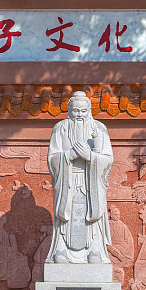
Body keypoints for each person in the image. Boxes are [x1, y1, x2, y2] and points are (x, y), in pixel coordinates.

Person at [46, 91, 113, 264]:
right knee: (66, 214)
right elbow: (53, 158)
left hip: (91, 181)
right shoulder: (60, 128)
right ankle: (61, 250)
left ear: (89, 110)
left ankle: (94, 250)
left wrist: (90, 157)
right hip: (67, 180)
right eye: (76, 111)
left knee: (92, 212)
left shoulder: (99, 128)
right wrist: (69, 155)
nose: (79, 115)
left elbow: (108, 160)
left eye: (83, 111)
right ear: (69, 110)